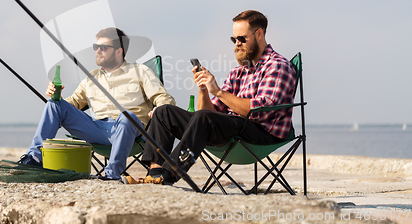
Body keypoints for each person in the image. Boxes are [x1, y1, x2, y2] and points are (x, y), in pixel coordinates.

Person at [123, 10, 297, 185]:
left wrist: (219, 92)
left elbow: (259, 112)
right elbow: (209, 113)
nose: (237, 44)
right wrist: (204, 90)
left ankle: (169, 175)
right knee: (163, 112)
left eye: (241, 39)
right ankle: (155, 173)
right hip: (234, 128)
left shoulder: (277, 66)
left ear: (259, 34)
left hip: (261, 134)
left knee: (203, 118)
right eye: (234, 39)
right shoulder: (239, 71)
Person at [19, 27, 175, 181]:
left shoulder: (140, 71)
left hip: (130, 130)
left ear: (119, 52)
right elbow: (73, 103)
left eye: (104, 47)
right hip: (96, 128)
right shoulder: (91, 77)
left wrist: (158, 110)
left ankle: (112, 174)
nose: (98, 51)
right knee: (54, 105)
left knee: (127, 116)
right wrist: (56, 96)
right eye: (96, 47)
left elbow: (164, 98)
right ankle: (34, 158)